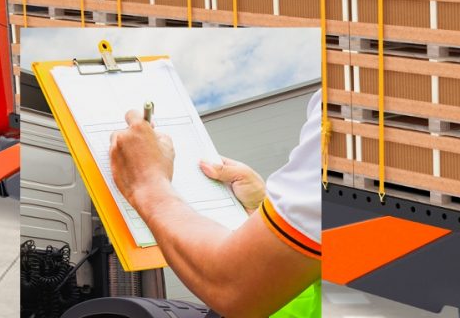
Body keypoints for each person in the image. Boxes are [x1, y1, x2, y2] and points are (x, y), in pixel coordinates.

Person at [109, 91, 324, 317]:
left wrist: (148, 184)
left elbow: (235, 285)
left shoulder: (345, 102)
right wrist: (260, 213)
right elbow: (299, 287)